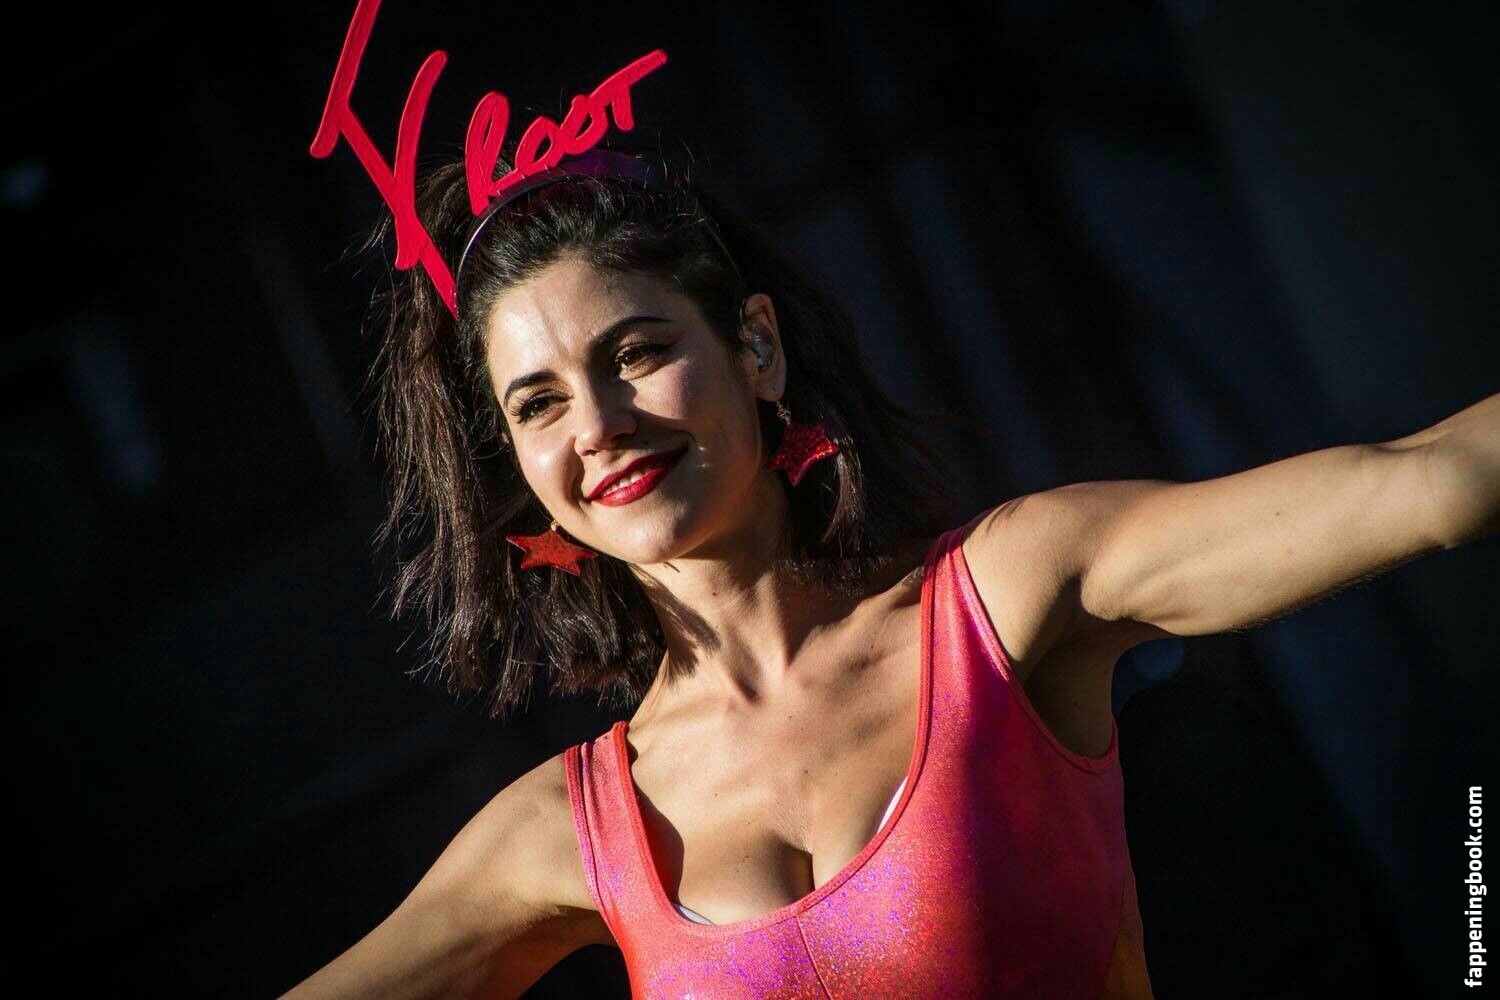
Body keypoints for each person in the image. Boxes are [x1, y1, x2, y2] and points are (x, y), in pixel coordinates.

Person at [283, 150, 1499, 999]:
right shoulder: (565, 830)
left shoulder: (1007, 596)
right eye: (539, 402)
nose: (598, 424)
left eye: (638, 351)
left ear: (757, 347)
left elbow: (1434, 482)